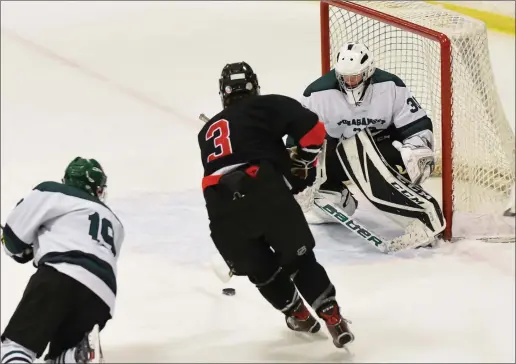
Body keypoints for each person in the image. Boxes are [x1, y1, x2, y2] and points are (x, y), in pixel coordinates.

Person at [198, 61, 354, 348]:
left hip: (220, 209)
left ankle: (298, 315)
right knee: (299, 260)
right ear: (255, 87)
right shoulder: (266, 105)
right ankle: (332, 317)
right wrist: (305, 160)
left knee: (261, 270)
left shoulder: (206, 131)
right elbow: (314, 132)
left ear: (224, 94)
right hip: (264, 192)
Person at [297, 42, 439, 225]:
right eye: (344, 76)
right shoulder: (318, 93)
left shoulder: (390, 86)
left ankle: (408, 203)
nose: (349, 82)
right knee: (315, 174)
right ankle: (335, 193)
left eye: (354, 76)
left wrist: (418, 147)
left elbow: (416, 123)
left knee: (408, 158)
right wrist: (299, 173)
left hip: (382, 150)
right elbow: (298, 134)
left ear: (368, 71)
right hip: (339, 155)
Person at [1, 157, 125, 363]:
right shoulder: (115, 223)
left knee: (15, 348)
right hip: (102, 297)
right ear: (99, 189)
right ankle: (79, 355)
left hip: (61, 277)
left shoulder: (52, 191)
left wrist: (18, 249)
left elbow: (13, 242)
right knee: (57, 360)